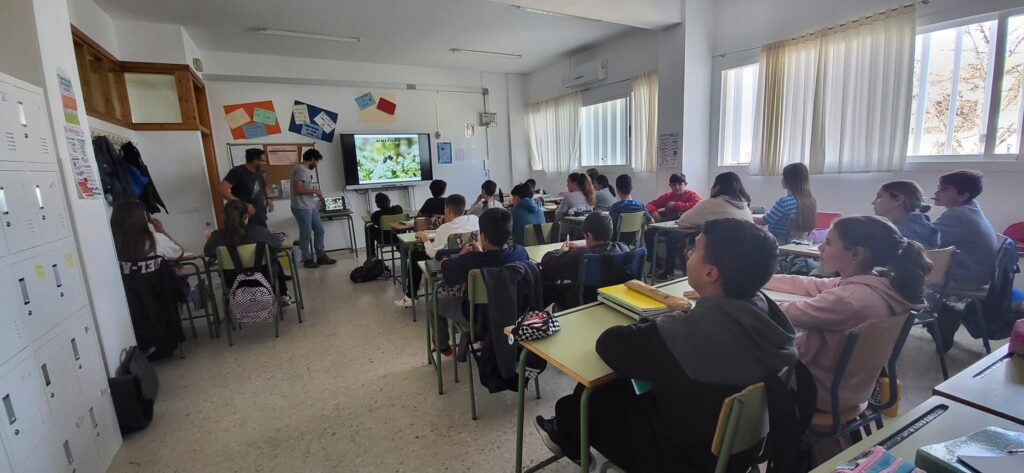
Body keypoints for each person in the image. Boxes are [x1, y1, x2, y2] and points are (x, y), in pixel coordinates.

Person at [535, 218, 797, 472]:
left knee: (579, 404)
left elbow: (609, 344)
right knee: (605, 389)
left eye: (695, 249)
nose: (688, 252)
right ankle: (564, 431)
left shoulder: (690, 332)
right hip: (734, 453)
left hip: (678, 458)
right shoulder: (766, 315)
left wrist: (666, 322)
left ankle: (564, 431)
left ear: (710, 273)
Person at [763, 216, 928, 413]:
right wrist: (763, 279)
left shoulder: (850, 300)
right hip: (851, 388)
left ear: (856, 254)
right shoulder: (878, 284)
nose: (821, 248)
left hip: (816, 390)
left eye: (829, 242)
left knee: (742, 349)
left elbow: (786, 313)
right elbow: (812, 284)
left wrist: (746, 293)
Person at [432, 208, 529, 356]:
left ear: (482, 237)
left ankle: (443, 346)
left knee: (434, 303)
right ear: (509, 233)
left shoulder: (470, 261)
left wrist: (459, 256)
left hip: (477, 318)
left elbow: (442, 268)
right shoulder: (520, 252)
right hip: (513, 314)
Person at [930, 170, 999, 351]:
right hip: (977, 273)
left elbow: (927, 240)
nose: (936, 193)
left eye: (944, 190)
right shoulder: (971, 209)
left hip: (965, 276)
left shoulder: (957, 215)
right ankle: (942, 313)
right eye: (939, 187)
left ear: (963, 196)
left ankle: (943, 314)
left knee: (907, 276)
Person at [650, 172, 755, 279]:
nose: (677, 187)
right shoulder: (744, 205)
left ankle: (676, 273)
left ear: (717, 187)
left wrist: (675, 206)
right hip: (745, 257)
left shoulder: (711, 203)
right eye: (673, 184)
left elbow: (684, 220)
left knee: (682, 242)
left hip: (721, 255)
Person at [395, 194, 479, 308]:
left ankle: (411, 296)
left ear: (448, 211)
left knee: (415, 255)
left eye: (445, 209)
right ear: (463, 209)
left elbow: (433, 254)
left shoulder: (444, 229)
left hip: (450, 263)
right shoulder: (474, 219)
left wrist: (424, 238)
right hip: (472, 260)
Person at [204, 200, 292, 305]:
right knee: (274, 260)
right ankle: (283, 295)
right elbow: (277, 243)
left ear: (225, 217)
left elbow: (207, 251)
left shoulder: (217, 236)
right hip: (264, 278)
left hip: (232, 282)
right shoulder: (259, 231)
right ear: (246, 216)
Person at [540, 213, 628, 306]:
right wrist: (587, 246)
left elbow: (547, 262)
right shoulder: (623, 248)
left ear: (589, 236)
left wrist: (561, 251)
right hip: (612, 299)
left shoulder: (581, 256)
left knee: (546, 284)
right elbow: (602, 249)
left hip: (583, 300)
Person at [289, 148, 335, 268]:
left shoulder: (306, 170)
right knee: (306, 233)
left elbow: (305, 188)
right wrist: (315, 192)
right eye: (316, 162)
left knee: (319, 230)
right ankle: (307, 258)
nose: (316, 165)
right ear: (313, 159)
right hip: (301, 207)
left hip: (310, 205)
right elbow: (298, 190)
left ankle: (320, 255)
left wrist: (315, 193)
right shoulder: (300, 169)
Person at [754, 162, 816, 244]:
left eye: (783, 176)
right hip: (797, 245)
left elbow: (763, 221)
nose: (782, 179)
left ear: (789, 179)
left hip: (778, 244)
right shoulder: (811, 201)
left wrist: (746, 214)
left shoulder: (785, 202)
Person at [872, 180, 939, 250]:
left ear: (898, 200)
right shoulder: (925, 226)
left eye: (879, 197)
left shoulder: (899, 235)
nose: (873, 202)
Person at [110, 200, 184, 260]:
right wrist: (162, 232)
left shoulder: (110, 246)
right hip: (157, 278)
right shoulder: (157, 239)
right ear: (142, 219)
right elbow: (179, 253)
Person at [221, 148, 273, 227]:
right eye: (262, 161)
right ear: (255, 161)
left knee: (262, 238)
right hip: (245, 218)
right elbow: (222, 189)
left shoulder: (258, 171)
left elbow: (264, 186)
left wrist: (268, 198)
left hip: (260, 215)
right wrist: (243, 205)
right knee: (249, 239)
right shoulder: (237, 171)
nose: (264, 163)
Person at [607, 174, 647, 245]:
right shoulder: (640, 206)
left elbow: (609, 228)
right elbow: (651, 221)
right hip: (634, 245)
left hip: (616, 246)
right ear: (631, 188)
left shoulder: (616, 207)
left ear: (617, 189)